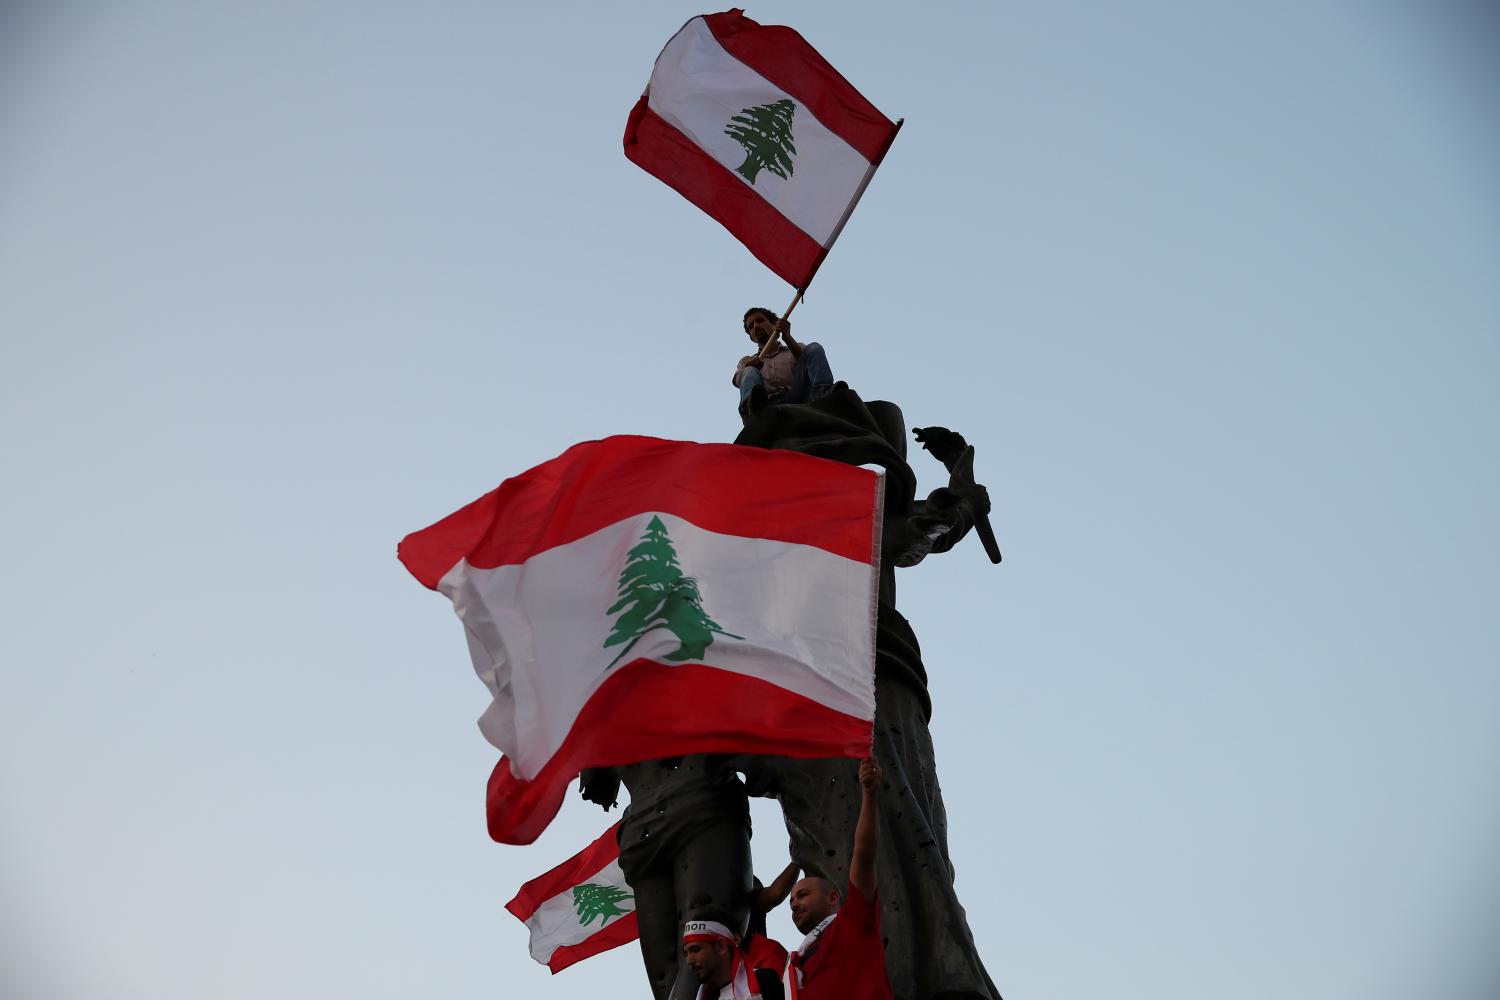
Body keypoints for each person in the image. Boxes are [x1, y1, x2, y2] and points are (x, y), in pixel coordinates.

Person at [734, 386, 1002, 1000]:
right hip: (808, 695)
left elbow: (934, 523)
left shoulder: (861, 514)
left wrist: (962, 479)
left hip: (872, 681)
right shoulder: (764, 546)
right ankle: (865, 969)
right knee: (843, 836)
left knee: (902, 834)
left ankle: (917, 972)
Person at [783, 757, 893, 1000]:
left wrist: (868, 793)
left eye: (802, 895)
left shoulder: (851, 922)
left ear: (833, 897)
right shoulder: (794, 965)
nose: (794, 904)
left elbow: (864, 855)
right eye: (791, 902)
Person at [733, 307, 834, 421]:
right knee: (749, 370)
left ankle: (824, 396)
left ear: (774, 324)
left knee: (814, 348)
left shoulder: (795, 348)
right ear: (752, 338)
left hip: (798, 396)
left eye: (760, 320)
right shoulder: (746, 361)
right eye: (751, 326)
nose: (756, 326)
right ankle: (753, 413)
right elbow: (738, 380)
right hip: (766, 405)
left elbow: (808, 363)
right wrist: (751, 367)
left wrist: (788, 338)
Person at [684, 919, 786, 1000]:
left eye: (695, 950)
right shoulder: (698, 996)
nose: (689, 960)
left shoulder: (764, 981)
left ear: (720, 946)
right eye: (686, 953)